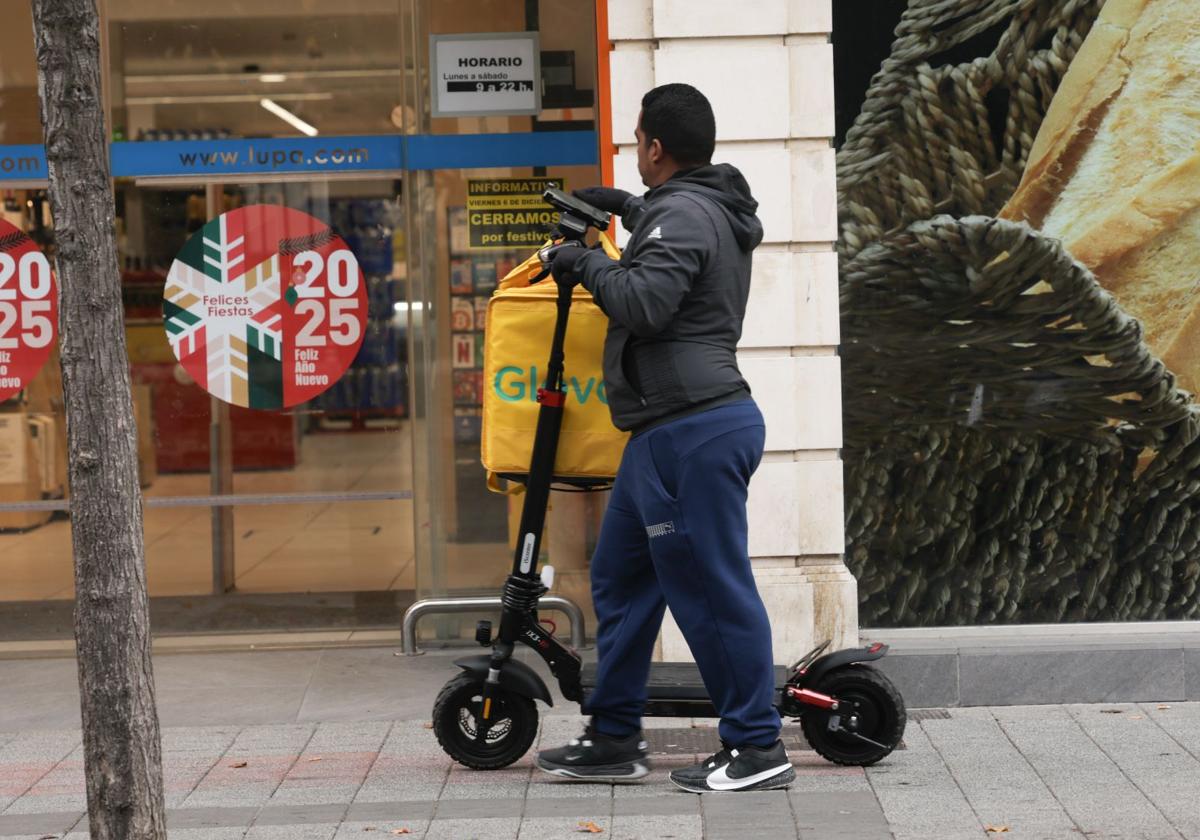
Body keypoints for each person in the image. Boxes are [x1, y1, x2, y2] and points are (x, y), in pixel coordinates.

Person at [535, 83, 793, 793]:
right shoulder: (688, 207)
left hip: (694, 429)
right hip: (664, 432)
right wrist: (627, 208)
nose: (636, 154)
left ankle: (756, 746)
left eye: (639, 142)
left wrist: (584, 259)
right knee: (621, 578)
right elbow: (668, 243)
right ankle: (615, 735)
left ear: (654, 145)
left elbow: (645, 302)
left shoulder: (681, 213)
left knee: (711, 590)